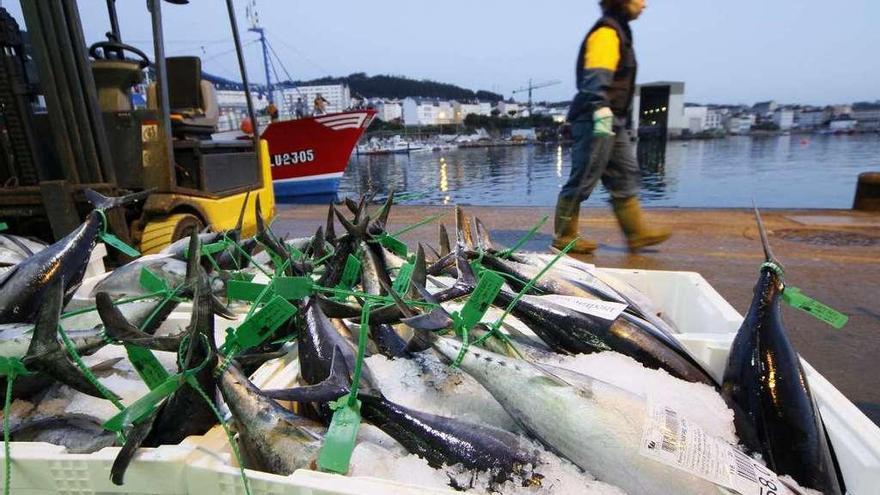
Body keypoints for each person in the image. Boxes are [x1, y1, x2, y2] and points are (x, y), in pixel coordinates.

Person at [552, 0, 670, 254]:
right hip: (597, 115)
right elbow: (596, 76)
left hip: (613, 118)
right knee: (584, 175)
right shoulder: (606, 33)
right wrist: (599, 107)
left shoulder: (619, 31)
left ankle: (636, 233)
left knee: (625, 173)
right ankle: (564, 236)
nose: (645, 4)